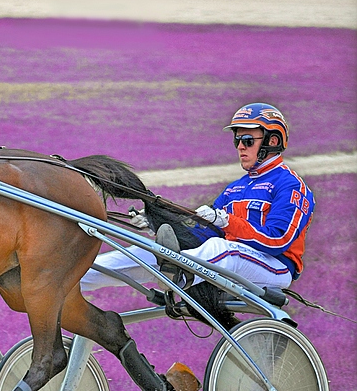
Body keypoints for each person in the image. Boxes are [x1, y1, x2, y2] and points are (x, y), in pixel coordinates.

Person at [81, 103, 315, 293]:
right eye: (237, 140)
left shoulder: (290, 185)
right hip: (224, 258)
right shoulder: (234, 189)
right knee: (148, 250)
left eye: (247, 140)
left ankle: (177, 273)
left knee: (220, 248)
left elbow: (278, 241)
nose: (240, 147)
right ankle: (76, 278)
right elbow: (202, 235)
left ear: (272, 141)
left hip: (275, 267)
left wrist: (226, 222)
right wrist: (157, 224)